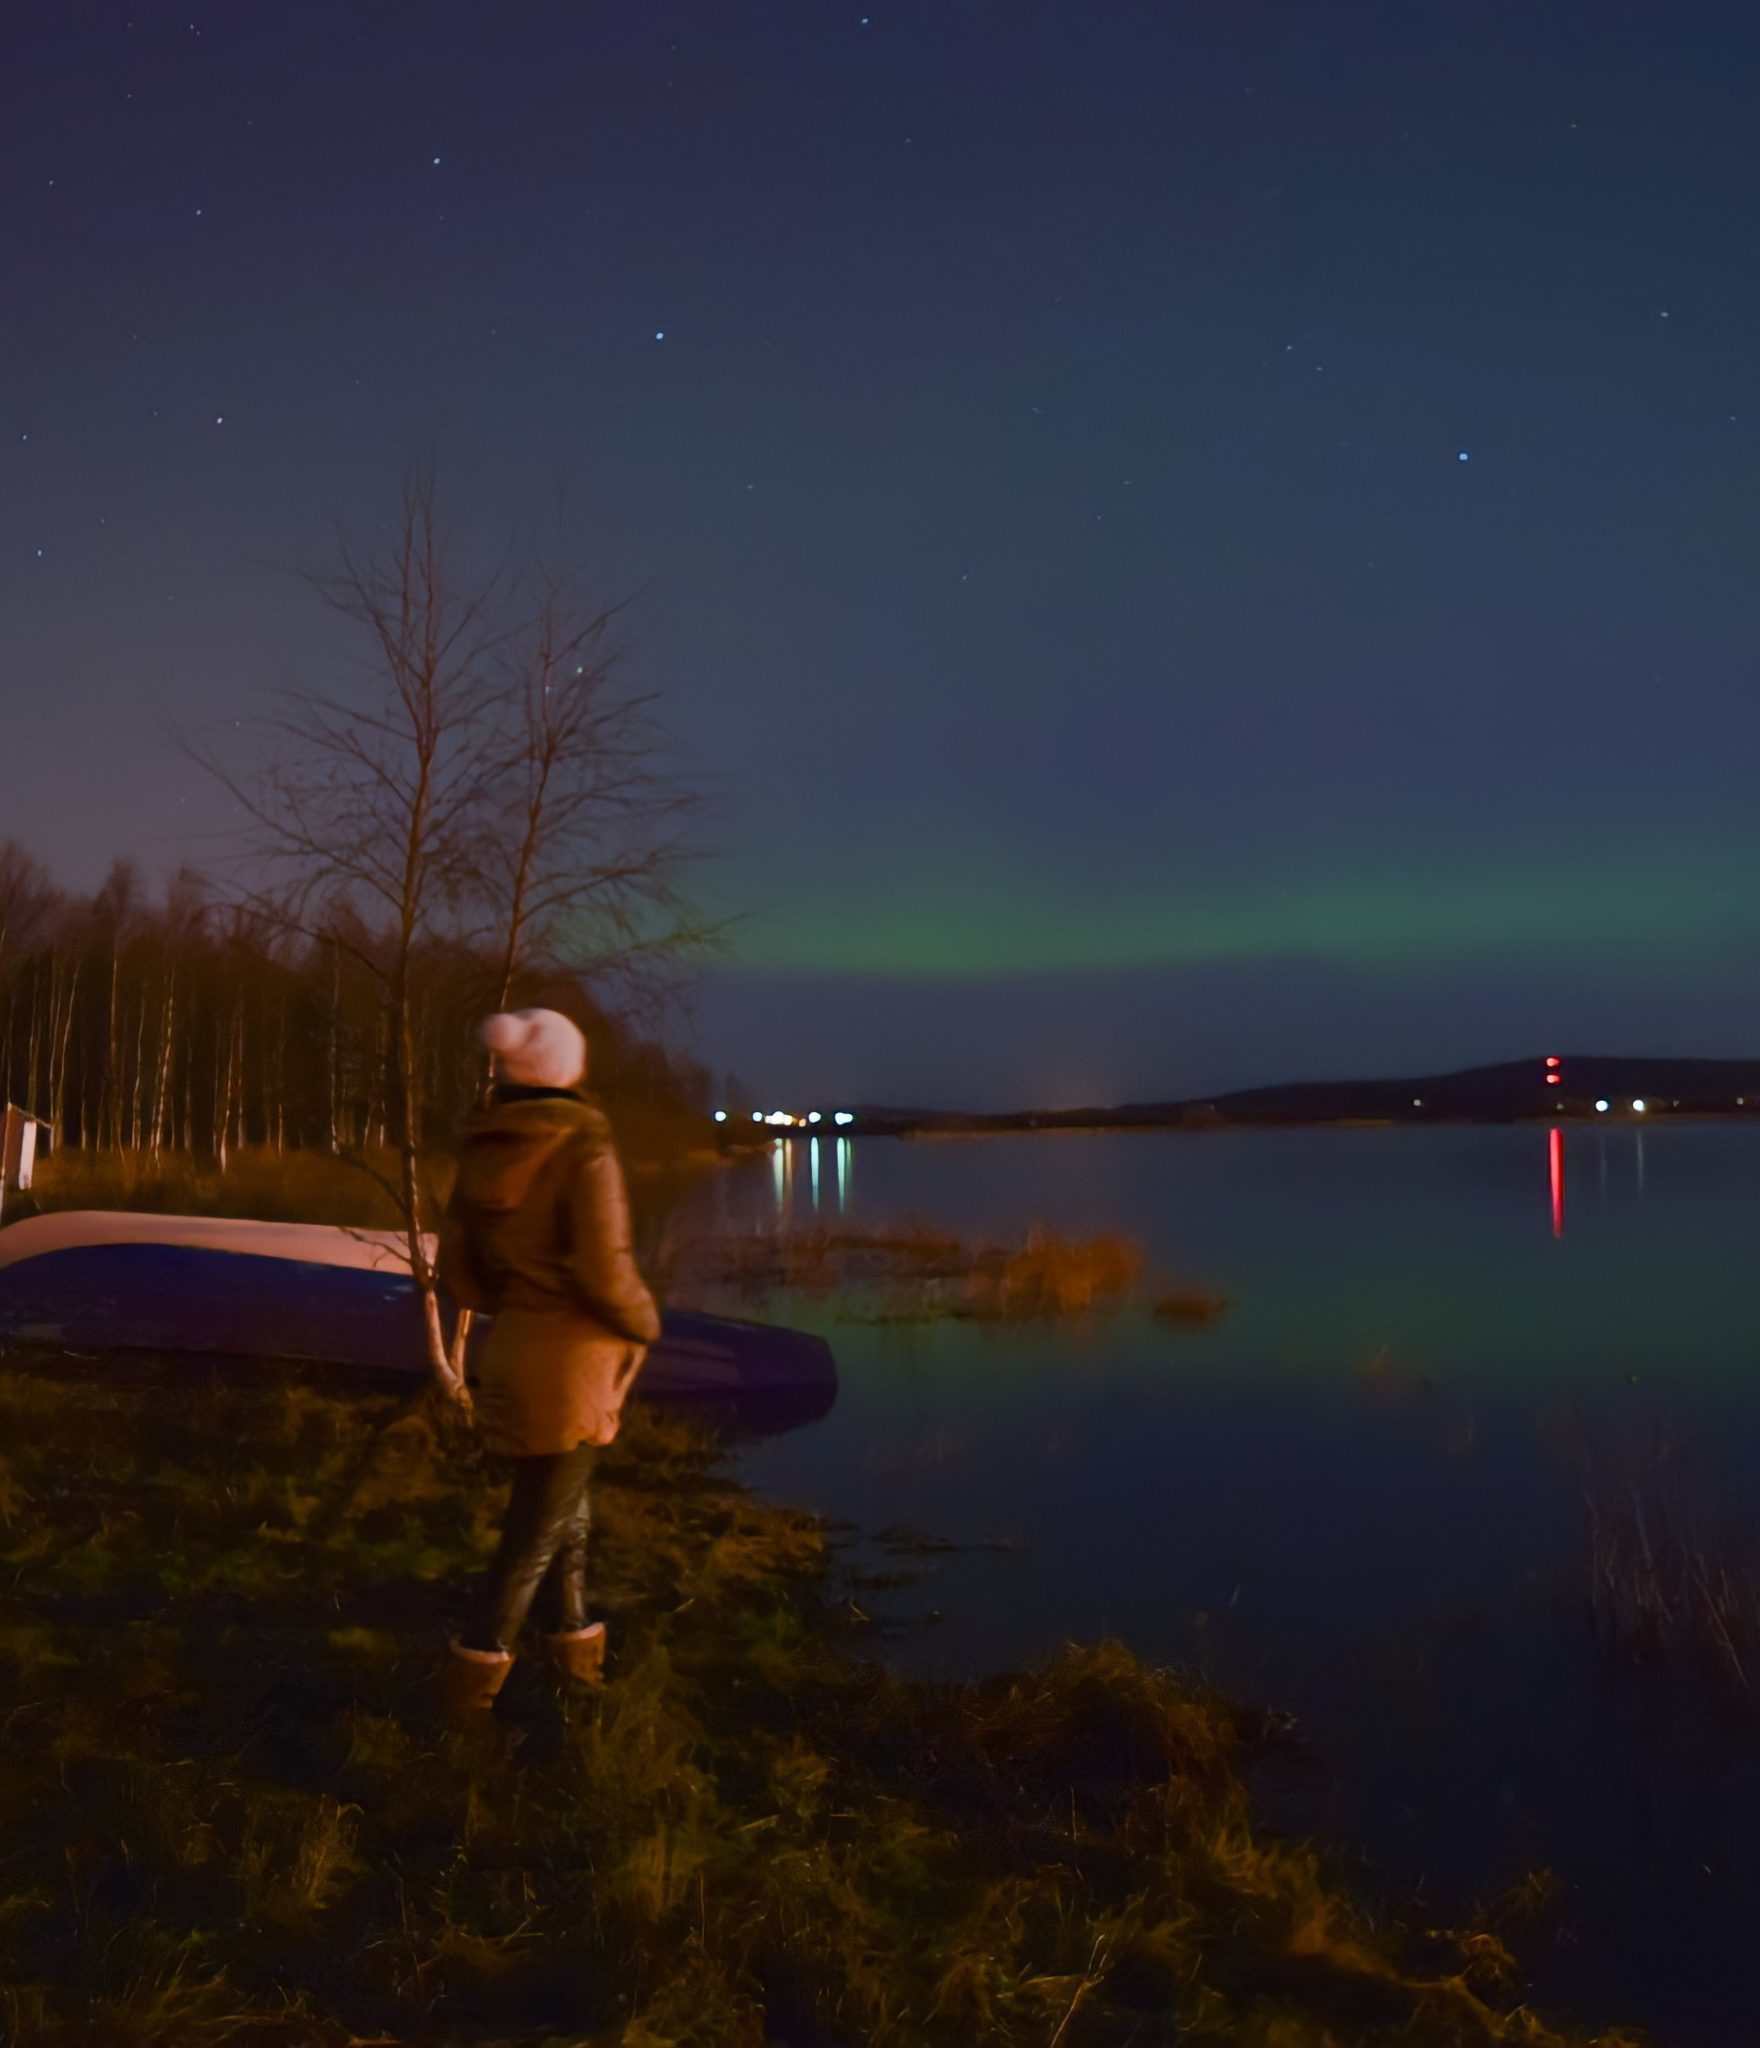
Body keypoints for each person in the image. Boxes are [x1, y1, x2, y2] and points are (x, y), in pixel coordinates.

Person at [436, 1006, 662, 1719]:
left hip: (516, 1352)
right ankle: (465, 1710)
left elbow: (461, 1279)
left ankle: (576, 1663)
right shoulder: (583, 1145)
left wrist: (522, 1298)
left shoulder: (483, 1145)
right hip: (579, 1362)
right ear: (570, 1068)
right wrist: (647, 1323)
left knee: (565, 1512)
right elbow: (607, 1270)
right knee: (531, 1537)